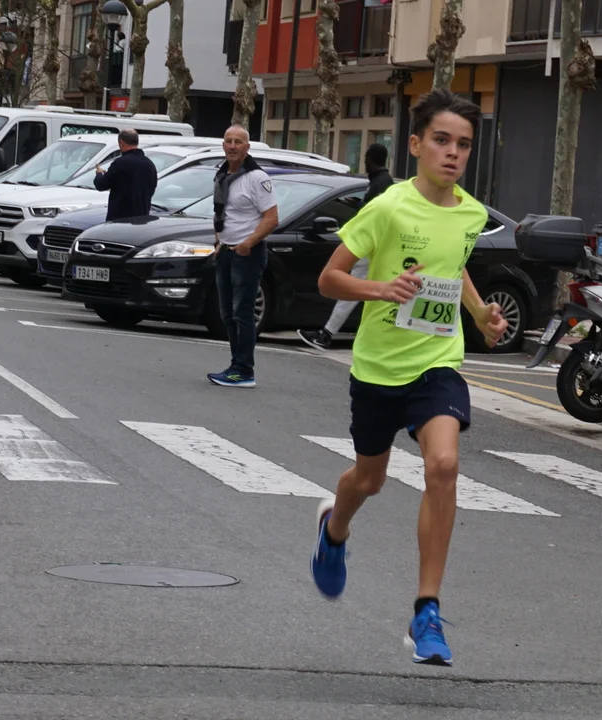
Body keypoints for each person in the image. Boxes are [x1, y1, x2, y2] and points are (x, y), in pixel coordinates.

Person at [308, 89, 508, 667]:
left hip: (436, 361)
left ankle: (427, 611)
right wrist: (380, 288)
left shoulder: (471, 214)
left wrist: (479, 314)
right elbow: (329, 278)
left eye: (463, 144)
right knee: (369, 480)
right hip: (378, 367)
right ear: (416, 145)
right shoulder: (388, 207)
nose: (453, 153)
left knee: (443, 465)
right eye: (442, 141)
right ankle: (334, 529)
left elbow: (454, 266)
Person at [298, 144, 394, 351]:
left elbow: (375, 215)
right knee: (364, 290)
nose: (364, 163)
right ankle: (332, 332)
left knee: (354, 288)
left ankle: (327, 333)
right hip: (372, 244)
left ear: (370, 159)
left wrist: (359, 209)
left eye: (366, 158)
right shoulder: (381, 181)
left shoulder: (382, 183)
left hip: (370, 245)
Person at [207, 126, 279, 388]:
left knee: (243, 312)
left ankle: (244, 370)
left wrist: (248, 243)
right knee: (227, 313)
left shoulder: (257, 178)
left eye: (238, 142)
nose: (232, 146)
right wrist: (218, 242)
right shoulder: (222, 175)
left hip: (247, 253)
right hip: (225, 252)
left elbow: (271, 218)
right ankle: (235, 365)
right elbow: (220, 213)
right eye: (228, 141)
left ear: (247, 147)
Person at [93, 128, 158, 222]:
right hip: (142, 218)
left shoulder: (120, 163)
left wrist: (99, 174)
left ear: (121, 142)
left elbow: (101, 185)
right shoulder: (149, 165)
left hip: (120, 220)